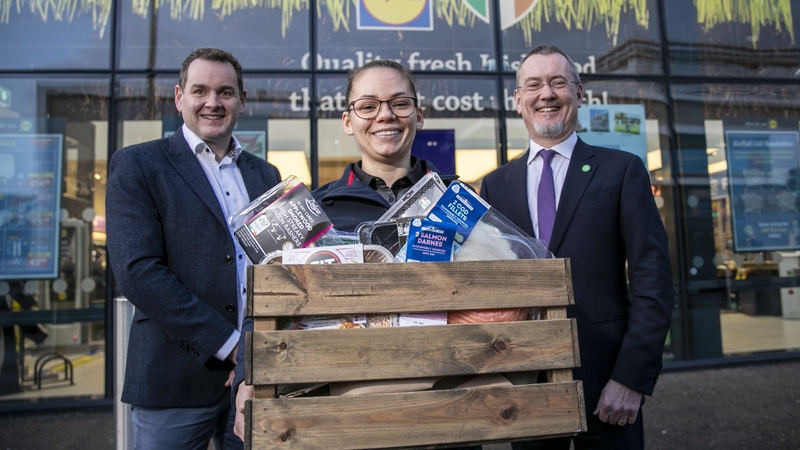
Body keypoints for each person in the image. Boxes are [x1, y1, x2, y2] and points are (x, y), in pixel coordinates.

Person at [232, 59, 463, 442]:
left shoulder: (459, 201)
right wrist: (247, 379)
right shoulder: (314, 210)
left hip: (446, 410)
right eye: (368, 106)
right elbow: (269, 300)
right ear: (347, 121)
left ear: (419, 116)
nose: (385, 115)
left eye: (400, 103)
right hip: (341, 413)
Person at [479, 45, 673, 449]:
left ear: (579, 94)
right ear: (518, 101)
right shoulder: (495, 186)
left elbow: (653, 281)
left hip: (607, 384)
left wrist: (631, 379)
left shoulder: (622, 171)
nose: (545, 93)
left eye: (557, 82)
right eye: (533, 84)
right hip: (527, 383)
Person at [106, 47, 281, 450]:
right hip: (173, 378)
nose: (213, 103)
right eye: (200, 90)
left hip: (257, 379)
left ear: (242, 100)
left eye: (226, 92)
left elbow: (275, 269)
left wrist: (255, 351)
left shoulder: (265, 173)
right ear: (179, 97)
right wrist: (231, 345)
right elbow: (138, 272)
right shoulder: (138, 165)